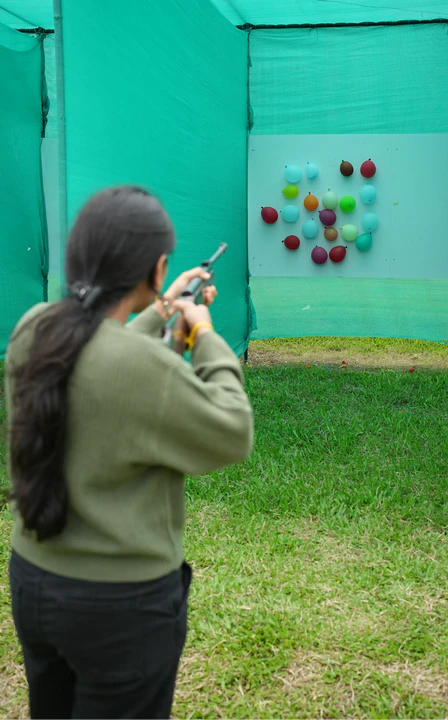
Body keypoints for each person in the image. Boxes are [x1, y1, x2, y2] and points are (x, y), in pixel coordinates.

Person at [5, 185, 254, 720]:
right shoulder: (146, 371)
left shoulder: (33, 329)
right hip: (120, 609)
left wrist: (164, 309)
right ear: (157, 267)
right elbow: (233, 429)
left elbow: (99, 351)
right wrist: (203, 334)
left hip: (34, 582)